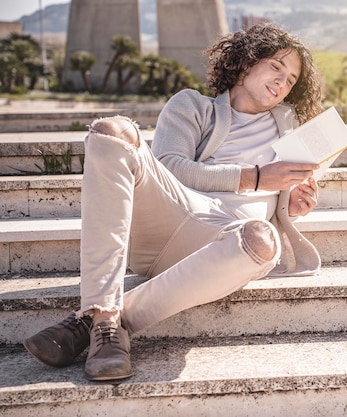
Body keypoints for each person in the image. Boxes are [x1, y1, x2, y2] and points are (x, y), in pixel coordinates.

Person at [23, 23, 324, 381]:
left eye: (291, 79)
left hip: (228, 242)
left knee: (262, 240)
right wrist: (256, 177)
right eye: (276, 66)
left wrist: (292, 207)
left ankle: (101, 321)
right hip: (168, 218)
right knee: (112, 131)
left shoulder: (290, 131)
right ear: (246, 63)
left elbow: (277, 202)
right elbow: (171, 167)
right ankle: (102, 311)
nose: (282, 81)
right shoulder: (193, 106)